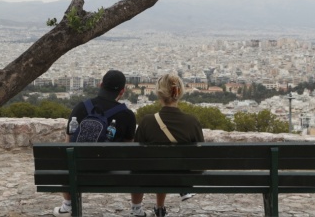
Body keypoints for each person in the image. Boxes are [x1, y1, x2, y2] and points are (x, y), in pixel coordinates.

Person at [53, 69, 137, 216]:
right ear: (122, 91)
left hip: (79, 170)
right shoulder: (127, 115)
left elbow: (68, 142)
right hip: (112, 172)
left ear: (100, 85)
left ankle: (67, 205)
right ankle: (137, 209)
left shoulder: (81, 107)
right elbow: (128, 148)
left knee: (67, 159)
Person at [130, 73, 204, 217]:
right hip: (180, 179)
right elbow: (200, 159)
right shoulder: (192, 122)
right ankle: (160, 207)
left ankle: (140, 209)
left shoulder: (147, 121)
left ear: (159, 94)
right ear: (179, 93)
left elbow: (136, 157)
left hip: (150, 178)